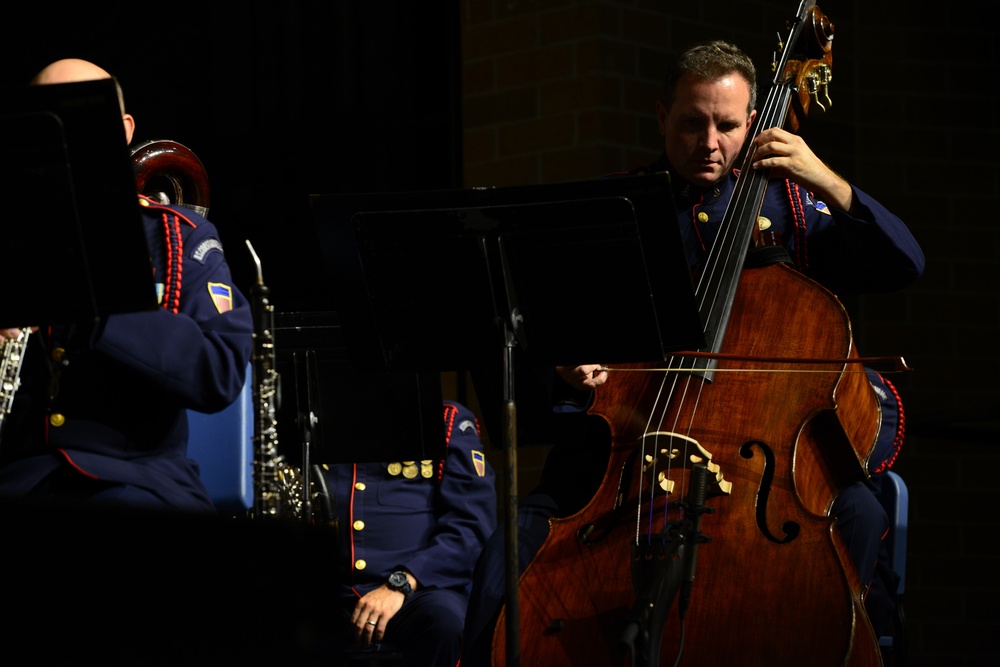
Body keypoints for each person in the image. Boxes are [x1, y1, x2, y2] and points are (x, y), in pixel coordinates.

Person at [462, 40, 924, 664]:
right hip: (625, 449)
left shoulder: (789, 205)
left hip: (762, 465)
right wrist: (569, 366)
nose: (710, 141)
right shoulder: (614, 207)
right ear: (661, 117)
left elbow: (904, 262)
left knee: (860, 516)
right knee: (507, 551)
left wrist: (827, 179)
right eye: (691, 123)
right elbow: (543, 328)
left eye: (729, 125)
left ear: (754, 121)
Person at [0, 58, 252, 512]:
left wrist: (94, 301)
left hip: (137, 484)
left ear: (123, 129)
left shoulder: (178, 237)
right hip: (17, 479)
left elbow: (219, 371)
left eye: (81, 115)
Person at [328, 400, 497, 667]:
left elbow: (471, 527)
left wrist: (400, 584)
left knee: (446, 623)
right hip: (328, 590)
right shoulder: (313, 420)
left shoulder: (442, 419)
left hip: (418, 589)